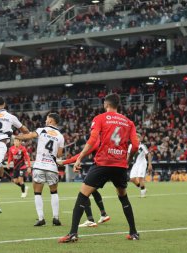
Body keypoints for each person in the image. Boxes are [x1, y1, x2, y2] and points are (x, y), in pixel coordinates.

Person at [59, 94, 140, 243]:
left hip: (103, 162)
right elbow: (135, 145)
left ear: (105, 104)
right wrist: (128, 159)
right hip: (120, 165)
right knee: (123, 197)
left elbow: (93, 139)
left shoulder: (100, 118)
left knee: (83, 195)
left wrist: (80, 157)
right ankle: (133, 232)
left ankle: (73, 233)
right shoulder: (129, 122)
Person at [16, 113, 64, 226]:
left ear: (51, 120)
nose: (46, 120)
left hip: (39, 166)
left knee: (37, 193)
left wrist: (16, 137)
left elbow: (29, 136)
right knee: (54, 192)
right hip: (52, 166)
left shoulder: (42, 130)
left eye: (47, 118)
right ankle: (56, 218)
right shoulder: (60, 136)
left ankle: (41, 218)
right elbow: (59, 154)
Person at [58, 136, 110, 228]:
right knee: (93, 190)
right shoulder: (107, 140)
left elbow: (80, 155)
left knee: (84, 192)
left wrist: (64, 162)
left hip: (100, 168)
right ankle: (103, 214)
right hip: (111, 168)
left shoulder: (96, 141)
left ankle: (90, 220)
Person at [127, 134, 152, 198]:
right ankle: (143, 188)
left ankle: (142, 195)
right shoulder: (130, 146)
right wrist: (126, 162)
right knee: (132, 179)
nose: (136, 139)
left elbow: (148, 154)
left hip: (142, 163)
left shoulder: (142, 146)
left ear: (140, 139)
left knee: (140, 178)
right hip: (135, 164)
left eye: (138, 138)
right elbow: (128, 155)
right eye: (135, 137)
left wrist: (149, 164)